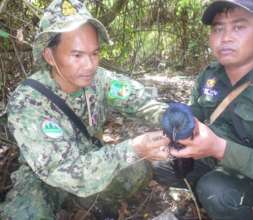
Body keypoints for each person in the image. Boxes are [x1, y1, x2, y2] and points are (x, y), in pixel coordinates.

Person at [0, 0, 170, 219]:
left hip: (94, 162)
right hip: (46, 177)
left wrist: (168, 115)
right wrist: (134, 149)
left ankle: (91, 203)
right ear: (50, 56)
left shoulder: (99, 80)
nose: (90, 65)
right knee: (28, 214)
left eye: (95, 53)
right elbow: (61, 171)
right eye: (77, 55)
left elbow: (138, 99)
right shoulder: (28, 102)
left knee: (139, 171)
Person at [153, 0, 253, 219]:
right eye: (218, 28)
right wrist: (178, 121)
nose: (226, 37)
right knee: (160, 164)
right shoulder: (210, 75)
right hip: (211, 158)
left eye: (238, 26)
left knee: (214, 191)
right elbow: (198, 111)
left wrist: (219, 148)